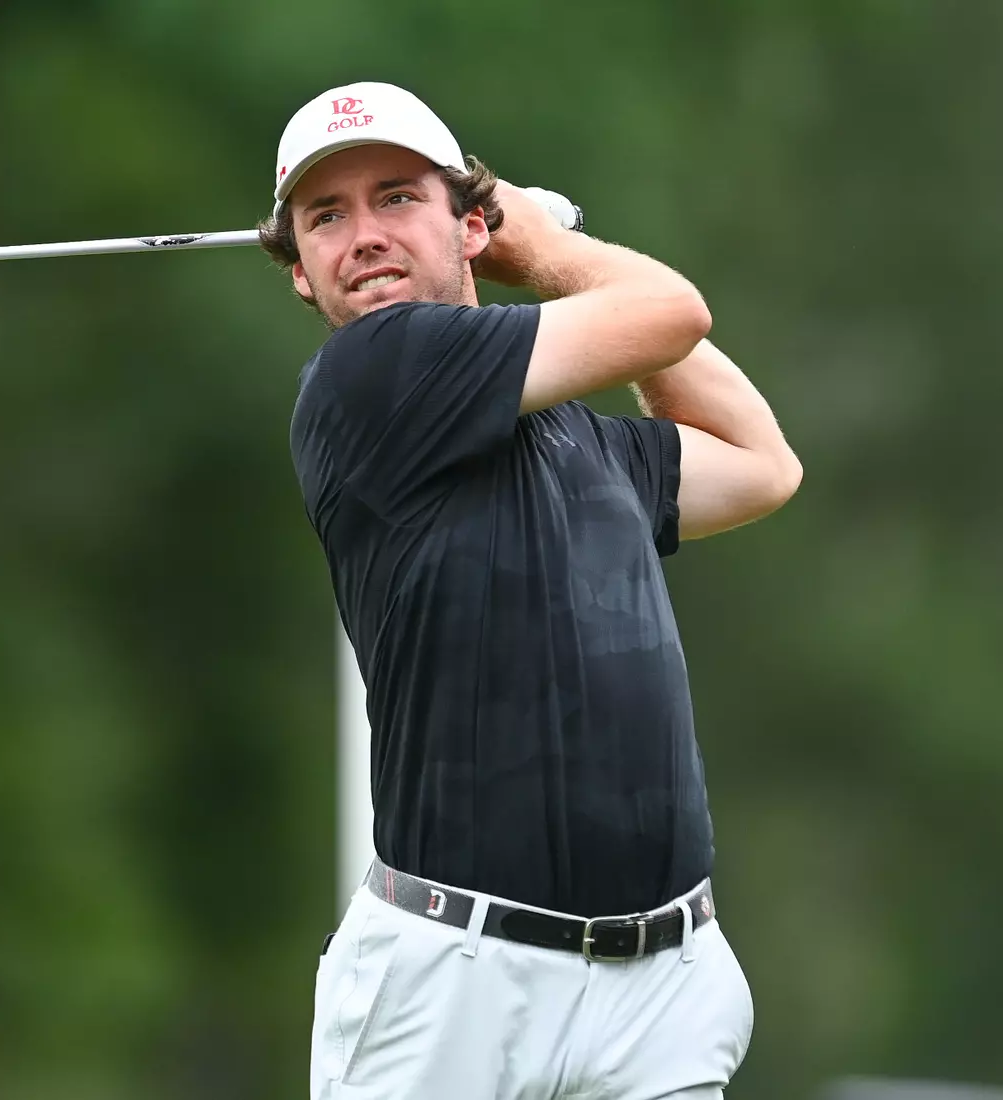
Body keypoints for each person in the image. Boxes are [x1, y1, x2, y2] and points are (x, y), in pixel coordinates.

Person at [261, 82, 803, 1099]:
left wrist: (521, 241)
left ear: (467, 224)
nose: (364, 234)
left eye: (396, 198)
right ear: (301, 274)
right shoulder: (371, 375)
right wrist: (543, 246)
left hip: (659, 983)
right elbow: (671, 310)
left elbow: (762, 463)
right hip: (455, 984)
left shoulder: (587, 445)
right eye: (326, 217)